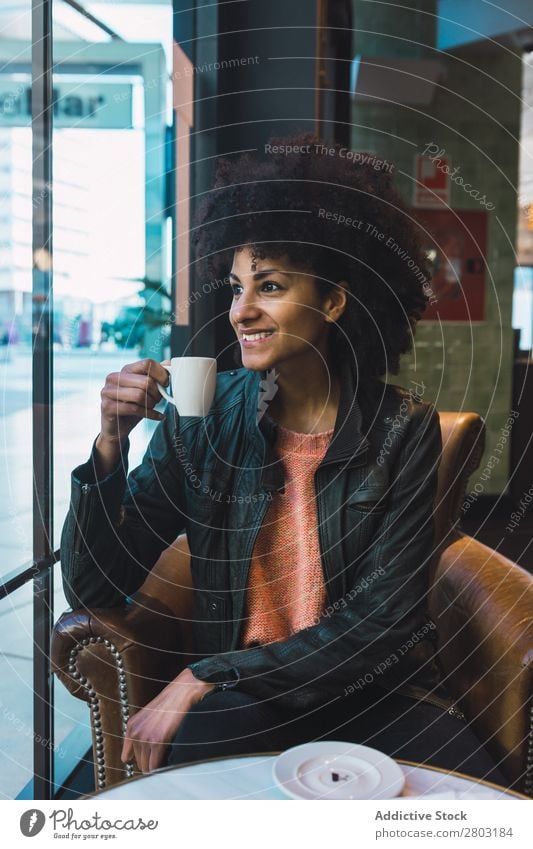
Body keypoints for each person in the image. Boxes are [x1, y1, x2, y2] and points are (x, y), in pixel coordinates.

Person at [60, 132, 504, 784]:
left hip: (373, 695)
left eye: (268, 285)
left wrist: (203, 672)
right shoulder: (201, 416)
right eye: (237, 286)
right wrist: (108, 446)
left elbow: (379, 626)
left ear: (332, 300)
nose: (241, 310)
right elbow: (96, 584)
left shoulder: (403, 430)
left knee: (473, 804)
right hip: (245, 700)